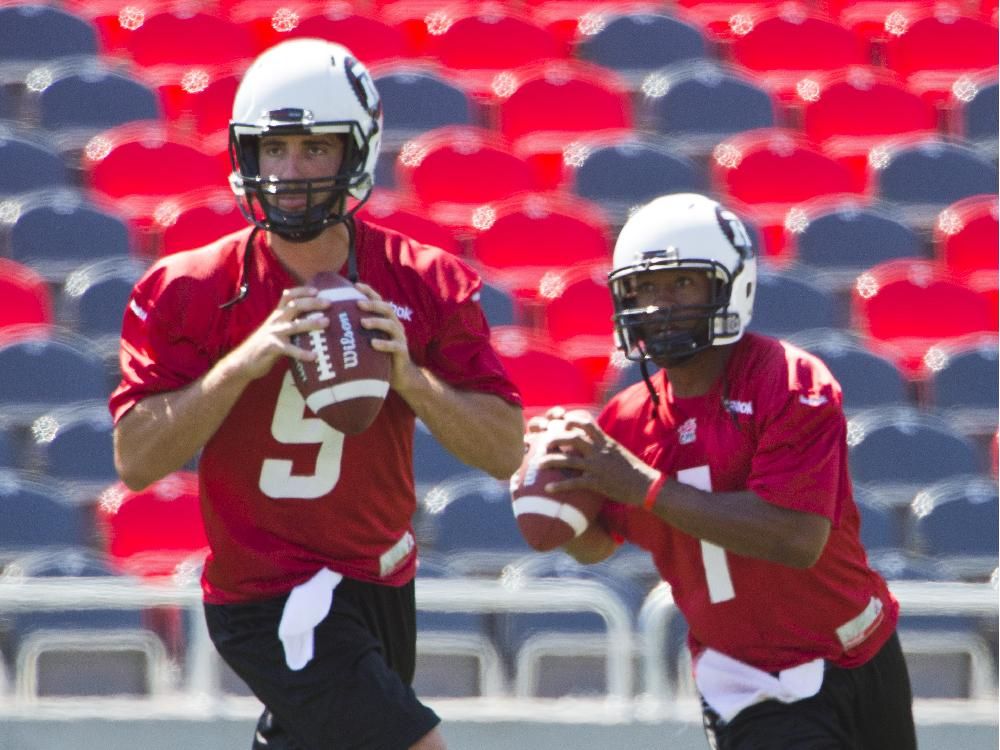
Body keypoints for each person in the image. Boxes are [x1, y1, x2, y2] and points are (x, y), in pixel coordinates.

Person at [109, 39, 524, 750]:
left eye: (312, 149)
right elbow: (136, 461)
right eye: (273, 150)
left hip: (381, 581)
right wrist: (244, 362)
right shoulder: (191, 288)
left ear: (356, 153)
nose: (289, 173)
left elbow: (504, 448)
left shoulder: (425, 281)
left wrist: (409, 378)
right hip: (269, 593)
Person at [533, 193, 916, 749]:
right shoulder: (625, 420)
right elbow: (599, 543)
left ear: (731, 285)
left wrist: (643, 486)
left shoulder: (788, 382)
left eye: (682, 284)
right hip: (749, 681)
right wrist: (556, 504)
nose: (659, 305)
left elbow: (796, 536)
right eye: (643, 287)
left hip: (863, 649)